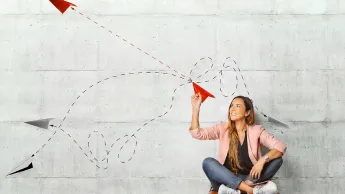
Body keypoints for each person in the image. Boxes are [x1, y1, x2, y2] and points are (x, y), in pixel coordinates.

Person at [189, 94, 287, 194]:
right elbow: (197, 134)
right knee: (208, 162)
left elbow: (280, 147)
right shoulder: (222, 128)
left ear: (247, 112)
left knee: (277, 160)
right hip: (224, 179)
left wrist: (262, 161)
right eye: (231, 106)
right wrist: (195, 108)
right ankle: (249, 190)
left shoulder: (257, 130)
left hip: (249, 178)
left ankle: (238, 189)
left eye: (238, 106)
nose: (232, 109)